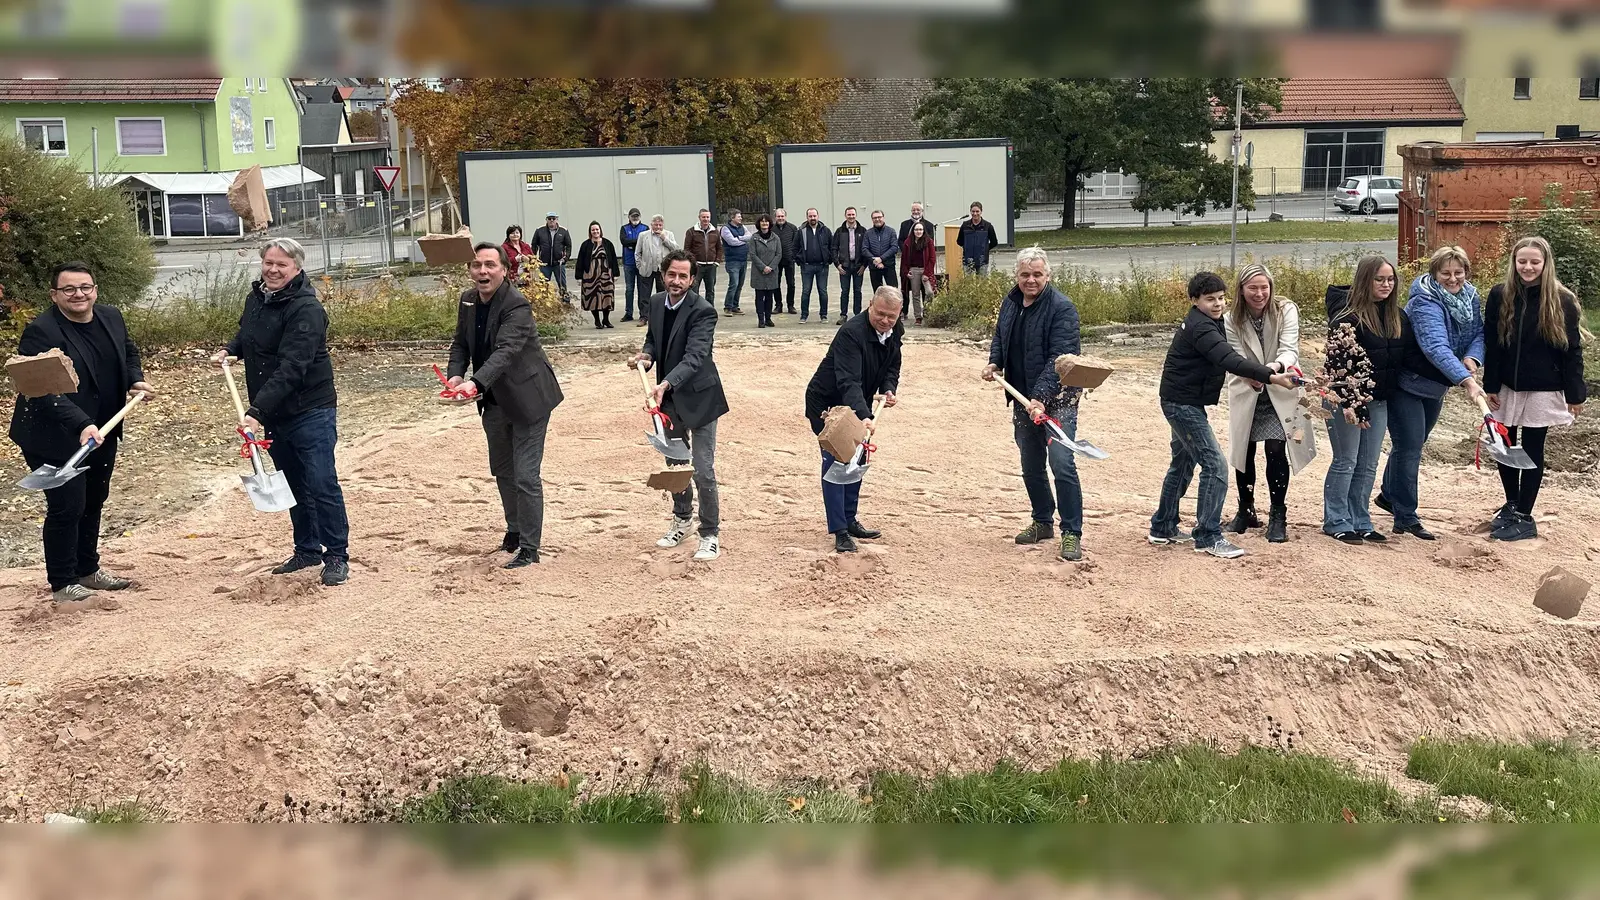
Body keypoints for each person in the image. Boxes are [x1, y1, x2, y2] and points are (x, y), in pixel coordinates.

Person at [9, 262, 154, 603]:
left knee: (93, 499)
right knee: (67, 506)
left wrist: (135, 379)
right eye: (69, 289)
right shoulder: (41, 332)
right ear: (54, 295)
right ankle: (63, 583)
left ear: (95, 290)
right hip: (54, 434)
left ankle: (88, 569)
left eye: (85, 287)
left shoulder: (111, 317)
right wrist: (80, 423)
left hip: (103, 428)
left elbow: (128, 351)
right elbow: (41, 390)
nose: (79, 294)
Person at [212, 238, 351, 585]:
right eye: (268, 263)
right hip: (276, 411)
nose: (273, 270)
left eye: (281, 265)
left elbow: (293, 366)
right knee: (293, 482)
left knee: (320, 482)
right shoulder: (257, 298)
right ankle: (306, 550)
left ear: (297, 268)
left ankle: (336, 554)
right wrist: (230, 350)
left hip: (310, 409)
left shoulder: (307, 309)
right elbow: (248, 335)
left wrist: (256, 411)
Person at [1150, 272, 1298, 558]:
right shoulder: (1201, 327)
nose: (1218, 304)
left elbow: (1230, 358)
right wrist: (1270, 376)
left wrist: (1256, 374)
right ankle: (1208, 536)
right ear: (1194, 300)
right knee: (1215, 466)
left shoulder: (1210, 321)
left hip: (1183, 401)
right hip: (1182, 405)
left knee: (1183, 463)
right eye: (1210, 299)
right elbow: (1228, 358)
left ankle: (1163, 526)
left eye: (1220, 298)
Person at [446, 243, 565, 568]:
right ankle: (514, 531)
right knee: (502, 470)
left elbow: (505, 351)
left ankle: (529, 548)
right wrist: (455, 375)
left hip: (529, 399)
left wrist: (475, 383)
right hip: (494, 400)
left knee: (525, 475)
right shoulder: (467, 300)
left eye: (490, 265)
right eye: (476, 265)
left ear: (504, 270)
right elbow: (460, 343)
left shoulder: (517, 304)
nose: (482, 271)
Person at [980, 248, 1085, 562]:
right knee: (1031, 464)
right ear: (1017, 275)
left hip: (1059, 398)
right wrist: (995, 362)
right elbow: (1001, 336)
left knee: (1062, 463)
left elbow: (1060, 358)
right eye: (1025, 274)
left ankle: (1071, 532)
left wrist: (1041, 397)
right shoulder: (1011, 302)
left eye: (1037, 274)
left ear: (1047, 276)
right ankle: (1042, 522)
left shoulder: (1062, 308)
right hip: (1023, 398)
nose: (1031, 280)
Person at [1376, 245, 1486, 540]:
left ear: (1466, 272)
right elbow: (1435, 346)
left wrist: (1473, 357)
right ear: (1434, 273)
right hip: (1408, 383)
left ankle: (1389, 495)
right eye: (1445, 273)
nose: (1453, 279)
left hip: (1435, 385)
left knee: (1412, 444)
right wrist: (1466, 380)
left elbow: (1479, 332)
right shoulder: (1425, 301)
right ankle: (1406, 517)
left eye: (1458, 272)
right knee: (1409, 447)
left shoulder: (1470, 296)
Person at [1482, 235, 1587, 541]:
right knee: (1503, 445)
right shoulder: (1500, 294)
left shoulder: (1563, 300)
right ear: (1514, 263)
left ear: (1545, 264)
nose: (1528, 267)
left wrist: (1575, 393)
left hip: (1543, 387)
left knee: (1531, 449)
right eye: (1522, 261)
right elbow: (1492, 343)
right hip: (1506, 386)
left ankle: (1525, 516)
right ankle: (1511, 504)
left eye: (1534, 262)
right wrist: (1491, 384)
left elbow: (1572, 350)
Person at [631, 250, 728, 562]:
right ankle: (682, 520)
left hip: (701, 399)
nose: (676, 281)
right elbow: (652, 340)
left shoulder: (704, 311)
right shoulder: (656, 302)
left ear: (692, 279)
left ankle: (710, 533)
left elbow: (695, 357)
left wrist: (665, 383)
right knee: (676, 467)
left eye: (683, 276)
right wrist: (646, 356)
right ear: (663, 275)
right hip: (668, 400)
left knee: (702, 470)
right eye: (671, 274)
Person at [1222, 263, 1316, 544]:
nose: (1259, 293)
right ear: (1241, 290)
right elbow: (1235, 356)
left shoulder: (1286, 310)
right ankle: (1245, 509)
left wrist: (1272, 370)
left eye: (1264, 287)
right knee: (1244, 451)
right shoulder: (1231, 318)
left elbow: (1290, 349)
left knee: (1276, 448)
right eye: (1253, 287)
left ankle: (1278, 514)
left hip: (1281, 385)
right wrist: (1254, 376)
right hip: (1247, 387)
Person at [804, 286, 904, 553]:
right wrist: (865, 416)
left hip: (858, 401)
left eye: (891, 316)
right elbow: (848, 381)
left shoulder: (895, 330)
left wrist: (888, 388)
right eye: (880, 313)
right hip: (828, 402)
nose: (885, 321)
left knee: (858, 458)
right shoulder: (851, 333)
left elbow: (892, 364)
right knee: (838, 461)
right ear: (870, 305)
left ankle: (850, 519)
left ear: (899, 313)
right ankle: (839, 530)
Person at [1322, 255, 1411, 545]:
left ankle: (1360, 519)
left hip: (1378, 400)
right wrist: (1354, 405)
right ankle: (1336, 519)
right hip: (1344, 401)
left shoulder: (1397, 317)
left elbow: (1408, 358)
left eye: (1390, 279)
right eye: (1379, 279)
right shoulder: (1346, 318)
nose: (1386, 285)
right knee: (1346, 460)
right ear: (1365, 280)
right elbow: (1338, 367)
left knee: (1368, 463)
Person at [574, 221, 620, 330]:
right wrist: (579, 277)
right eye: (593, 230)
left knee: (607, 296)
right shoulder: (585, 245)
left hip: (606, 273)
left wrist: (616, 274)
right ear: (590, 232)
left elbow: (614, 259)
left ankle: (606, 319)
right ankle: (597, 320)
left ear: (600, 230)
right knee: (592, 297)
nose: (595, 231)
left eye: (597, 229)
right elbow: (580, 260)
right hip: (590, 275)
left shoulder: (608, 243)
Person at [632, 214, 677, 326]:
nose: (658, 227)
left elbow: (675, 249)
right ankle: (644, 317)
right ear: (651, 225)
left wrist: (664, 238)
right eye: (655, 225)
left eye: (660, 225)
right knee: (644, 295)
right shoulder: (643, 235)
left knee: (662, 294)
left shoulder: (669, 234)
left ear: (663, 225)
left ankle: (661, 317)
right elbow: (637, 252)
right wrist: (639, 266)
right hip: (647, 269)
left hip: (662, 270)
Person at [796, 207, 833, 324]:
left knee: (823, 291)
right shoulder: (801, 231)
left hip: (822, 267)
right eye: (810, 216)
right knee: (806, 291)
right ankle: (804, 315)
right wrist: (799, 260)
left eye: (814, 216)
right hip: (807, 266)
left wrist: (829, 260)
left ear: (818, 216)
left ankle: (824, 315)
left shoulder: (825, 231)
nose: (812, 218)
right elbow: (795, 247)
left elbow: (832, 246)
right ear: (807, 217)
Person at [833, 207, 867, 325]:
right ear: (845, 216)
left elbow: (866, 248)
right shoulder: (839, 231)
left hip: (858, 267)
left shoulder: (863, 231)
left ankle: (857, 315)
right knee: (844, 291)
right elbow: (834, 248)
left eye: (853, 214)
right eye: (849, 215)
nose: (851, 217)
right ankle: (843, 315)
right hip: (844, 267)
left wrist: (864, 265)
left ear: (856, 215)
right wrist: (837, 264)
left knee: (857, 291)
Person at [749, 213, 783, 329]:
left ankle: (768, 318)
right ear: (759, 224)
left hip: (771, 273)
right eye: (762, 221)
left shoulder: (775, 238)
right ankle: (761, 320)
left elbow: (779, 254)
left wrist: (770, 267)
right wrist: (763, 267)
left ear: (770, 223)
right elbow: (753, 255)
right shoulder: (754, 238)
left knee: (769, 297)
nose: (764, 223)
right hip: (759, 273)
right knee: (759, 297)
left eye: (766, 221)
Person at [900, 220, 937, 325]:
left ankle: (927, 312)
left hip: (925, 270)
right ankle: (918, 317)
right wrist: (906, 272)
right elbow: (904, 259)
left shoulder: (929, 242)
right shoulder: (908, 242)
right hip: (913, 270)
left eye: (920, 229)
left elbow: (932, 258)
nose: (918, 231)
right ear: (913, 231)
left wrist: (927, 273)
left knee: (929, 292)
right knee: (915, 295)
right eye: (916, 229)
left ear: (923, 230)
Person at [683, 208, 722, 303]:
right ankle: (694, 309)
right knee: (694, 290)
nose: (706, 219)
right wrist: (693, 263)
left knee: (710, 291)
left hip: (711, 266)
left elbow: (719, 248)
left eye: (707, 217)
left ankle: (709, 310)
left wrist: (717, 261)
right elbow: (687, 249)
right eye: (703, 217)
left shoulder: (715, 231)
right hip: (697, 266)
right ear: (699, 217)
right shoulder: (691, 231)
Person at [532, 213, 573, 303]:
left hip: (559, 263)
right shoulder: (539, 231)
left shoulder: (563, 231)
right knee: (544, 286)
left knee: (562, 284)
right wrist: (534, 258)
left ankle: (565, 301)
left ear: (557, 219)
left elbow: (568, 246)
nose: (551, 220)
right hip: (544, 264)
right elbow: (534, 245)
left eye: (553, 218)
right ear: (546, 219)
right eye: (549, 218)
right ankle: (545, 303)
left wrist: (565, 258)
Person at [618, 208, 649, 323]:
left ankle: (643, 314)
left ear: (640, 217)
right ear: (629, 217)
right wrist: (638, 242)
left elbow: (646, 242)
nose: (635, 218)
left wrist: (632, 243)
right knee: (629, 289)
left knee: (642, 289)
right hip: (628, 263)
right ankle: (628, 313)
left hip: (642, 263)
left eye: (637, 216)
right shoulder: (624, 228)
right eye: (633, 216)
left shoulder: (645, 228)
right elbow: (624, 241)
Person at [862, 209, 900, 298]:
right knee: (877, 294)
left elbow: (894, 247)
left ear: (883, 218)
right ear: (872, 219)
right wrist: (875, 260)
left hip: (889, 266)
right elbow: (864, 249)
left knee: (893, 292)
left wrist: (881, 259)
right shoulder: (868, 233)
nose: (877, 219)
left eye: (879, 217)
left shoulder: (891, 231)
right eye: (875, 218)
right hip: (874, 267)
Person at [957, 201, 999, 275]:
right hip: (968, 260)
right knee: (968, 281)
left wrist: (985, 249)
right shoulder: (965, 225)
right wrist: (967, 247)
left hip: (982, 260)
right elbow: (959, 241)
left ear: (981, 212)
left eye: (977, 211)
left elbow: (994, 242)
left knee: (982, 281)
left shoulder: (988, 226)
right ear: (970, 211)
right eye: (973, 211)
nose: (975, 213)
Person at [720, 209, 749, 315]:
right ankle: (728, 307)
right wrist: (744, 240)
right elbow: (732, 242)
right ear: (732, 218)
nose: (741, 218)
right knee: (734, 284)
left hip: (743, 260)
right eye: (739, 216)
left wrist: (739, 238)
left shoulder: (742, 227)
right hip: (733, 261)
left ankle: (735, 306)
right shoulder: (725, 229)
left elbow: (749, 236)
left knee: (739, 285)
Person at [773, 207, 800, 314]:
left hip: (789, 260)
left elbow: (797, 243)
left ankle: (790, 305)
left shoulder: (792, 228)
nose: (780, 218)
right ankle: (778, 305)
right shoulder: (771, 228)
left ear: (785, 216)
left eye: (782, 216)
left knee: (791, 284)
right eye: (778, 216)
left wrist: (794, 256)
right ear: (775, 217)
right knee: (776, 284)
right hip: (775, 261)